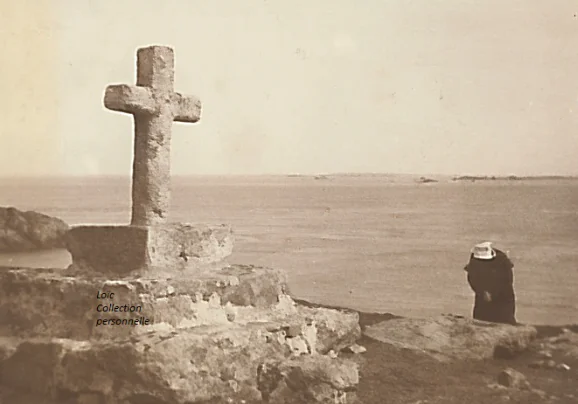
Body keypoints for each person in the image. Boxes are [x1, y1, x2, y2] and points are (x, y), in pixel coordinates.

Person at [463, 241, 517, 325]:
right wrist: (482, 292)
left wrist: (493, 293)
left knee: (505, 321)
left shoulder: (501, 259)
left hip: (503, 295)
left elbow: (507, 280)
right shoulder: (474, 259)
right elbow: (472, 278)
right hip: (482, 296)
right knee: (481, 321)